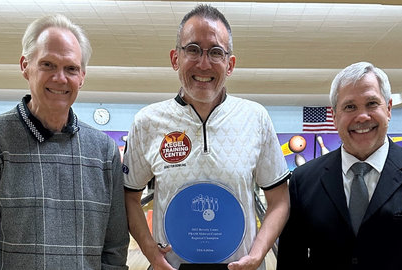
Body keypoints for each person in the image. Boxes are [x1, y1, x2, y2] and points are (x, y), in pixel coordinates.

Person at [0, 14, 129, 269]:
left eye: (71, 68)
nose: (60, 78)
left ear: (82, 76)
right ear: (25, 65)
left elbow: (115, 247)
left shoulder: (104, 151)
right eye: (48, 64)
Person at [122, 4, 290, 270]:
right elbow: (130, 196)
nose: (203, 63)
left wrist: (258, 253)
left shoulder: (255, 118)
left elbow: (279, 199)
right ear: (175, 58)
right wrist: (152, 254)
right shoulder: (147, 122)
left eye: (215, 52)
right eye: (192, 50)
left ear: (230, 64)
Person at [277, 61, 402, 269]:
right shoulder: (302, 180)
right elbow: (291, 261)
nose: (362, 116)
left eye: (372, 104)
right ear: (335, 117)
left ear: (389, 108)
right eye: (350, 106)